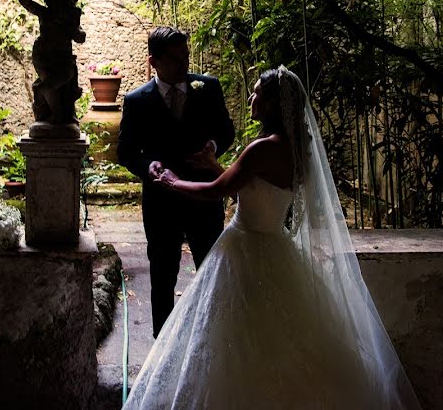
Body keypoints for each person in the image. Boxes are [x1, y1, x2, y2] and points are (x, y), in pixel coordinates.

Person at [121, 66, 422, 410]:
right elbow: (254, 192)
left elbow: (217, 192)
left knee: (235, 339)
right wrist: (214, 163)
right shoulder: (295, 150)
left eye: (257, 93)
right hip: (276, 246)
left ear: (274, 104)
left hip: (243, 248)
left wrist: (171, 181)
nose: (251, 98)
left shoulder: (261, 149)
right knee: (281, 342)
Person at [117, 26, 235, 338]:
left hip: (205, 199)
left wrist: (212, 148)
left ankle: (216, 338)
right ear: (153, 61)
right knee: (162, 273)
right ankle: (162, 344)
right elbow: (126, 152)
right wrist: (149, 165)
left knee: (211, 269)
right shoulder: (136, 101)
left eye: (185, 57)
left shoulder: (208, 88)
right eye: (174, 59)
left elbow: (226, 131)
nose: (183, 65)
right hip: (161, 204)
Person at [18, 0, 86, 130]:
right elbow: (24, 0)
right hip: (45, 58)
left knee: (60, 86)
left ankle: (57, 114)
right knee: (50, 87)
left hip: (64, 60)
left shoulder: (71, 14)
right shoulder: (45, 13)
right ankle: (48, 114)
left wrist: (71, 27)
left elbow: (80, 37)